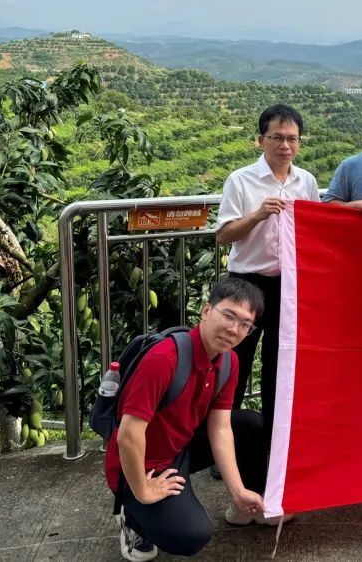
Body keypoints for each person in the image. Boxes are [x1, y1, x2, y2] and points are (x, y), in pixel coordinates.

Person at [105, 277, 269, 560]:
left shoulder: (228, 361)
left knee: (251, 426)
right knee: (190, 535)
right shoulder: (164, 358)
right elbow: (128, 436)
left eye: (245, 324)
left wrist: (237, 490)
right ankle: (133, 519)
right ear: (206, 311)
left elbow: (220, 429)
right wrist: (143, 491)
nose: (234, 329)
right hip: (143, 462)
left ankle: (245, 507)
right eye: (229, 316)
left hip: (181, 445)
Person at [214, 104, 320, 485]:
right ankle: (220, 449)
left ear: (300, 142)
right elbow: (223, 235)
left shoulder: (306, 181)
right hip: (246, 284)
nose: (285, 145)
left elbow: (315, 228)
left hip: (288, 286)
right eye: (277, 137)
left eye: (292, 138)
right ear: (261, 140)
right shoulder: (241, 180)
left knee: (281, 365)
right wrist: (257, 215)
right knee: (233, 365)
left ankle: (274, 447)